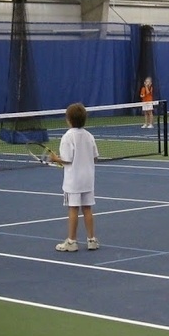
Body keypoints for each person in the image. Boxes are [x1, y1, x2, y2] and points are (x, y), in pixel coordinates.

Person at [48, 103, 100, 252]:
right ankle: (92, 240)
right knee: (88, 209)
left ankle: (71, 241)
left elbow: (67, 159)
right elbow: (95, 157)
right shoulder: (89, 136)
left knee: (73, 209)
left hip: (74, 182)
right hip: (88, 180)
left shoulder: (67, 137)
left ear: (68, 120)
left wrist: (55, 159)